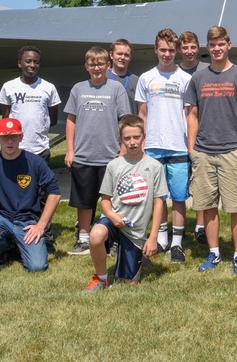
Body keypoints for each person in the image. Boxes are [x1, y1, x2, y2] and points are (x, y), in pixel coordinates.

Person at [184, 25, 237, 275]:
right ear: (208, 47)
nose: (217, 48)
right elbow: (192, 114)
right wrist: (192, 148)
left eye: (221, 44)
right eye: (212, 45)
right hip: (203, 152)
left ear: (229, 45)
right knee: (207, 205)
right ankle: (214, 253)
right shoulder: (199, 78)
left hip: (232, 151)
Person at [81, 115, 168, 293]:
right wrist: (112, 215)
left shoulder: (154, 167)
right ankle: (101, 278)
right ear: (121, 139)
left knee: (130, 283)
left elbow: (159, 203)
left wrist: (153, 238)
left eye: (136, 137)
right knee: (96, 235)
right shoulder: (114, 165)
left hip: (135, 232)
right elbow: (105, 200)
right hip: (114, 220)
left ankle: (139, 256)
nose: (132, 142)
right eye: (127, 138)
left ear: (144, 136)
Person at [64, 46, 131, 255]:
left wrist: (122, 150)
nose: (96, 68)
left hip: (110, 156)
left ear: (108, 65)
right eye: (92, 64)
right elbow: (71, 120)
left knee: (111, 200)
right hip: (83, 155)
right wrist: (69, 150)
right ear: (86, 66)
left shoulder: (116, 89)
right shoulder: (78, 89)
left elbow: (125, 120)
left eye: (100, 64)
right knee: (84, 200)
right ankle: (84, 238)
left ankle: (112, 238)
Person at [0, 118, 62, 272]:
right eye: (5, 136)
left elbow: (54, 193)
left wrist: (41, 225)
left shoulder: (35, 162)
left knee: (37, 267)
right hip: (1, 218)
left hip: (27, 221)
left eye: (14, 136)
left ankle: (18, 246)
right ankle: (7, 247)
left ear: (21, 137)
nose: (9, 141)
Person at [135, 29, 193, 263]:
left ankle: (177, 244)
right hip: (153, 147)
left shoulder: (185, 79)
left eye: (171, 50)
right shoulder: (146, 78)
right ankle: (161, 239)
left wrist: (190, 145)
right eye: (163, 50)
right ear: (156, 50)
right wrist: (142, 143)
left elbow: (190, 115)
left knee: (178, 197)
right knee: (156, 197)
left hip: (178, 146)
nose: (167, 54)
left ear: (177, 50)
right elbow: (142, 113)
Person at [0, 45, 62, 253]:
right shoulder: (9, 87)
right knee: (15, 193)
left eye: (35, 62)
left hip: (40, 149)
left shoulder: (48, 88)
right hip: (15, 150)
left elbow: (53, 118)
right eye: (27, 61)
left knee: (42, 195)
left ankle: (46, 237)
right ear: (19, 63)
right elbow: (5, 118)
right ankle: (12, 235)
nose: (32, 65)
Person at [178, 30, 209, 243]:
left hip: (202, 133)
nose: (189, 52)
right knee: (180, 184)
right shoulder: (174, 71)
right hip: (177, 133)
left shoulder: (206, 70)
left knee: (200, 181)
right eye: (185, 47)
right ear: (180, 49)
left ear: (198, 48)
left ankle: (200, 225)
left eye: (193, 47)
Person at [108, 39, 139, 115]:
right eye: (119, 54)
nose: (122, 57)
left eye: (126, 55)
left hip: (129, 125)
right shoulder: (103, 78)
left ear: (130, 58)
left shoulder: (137, 81)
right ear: (111, 55)